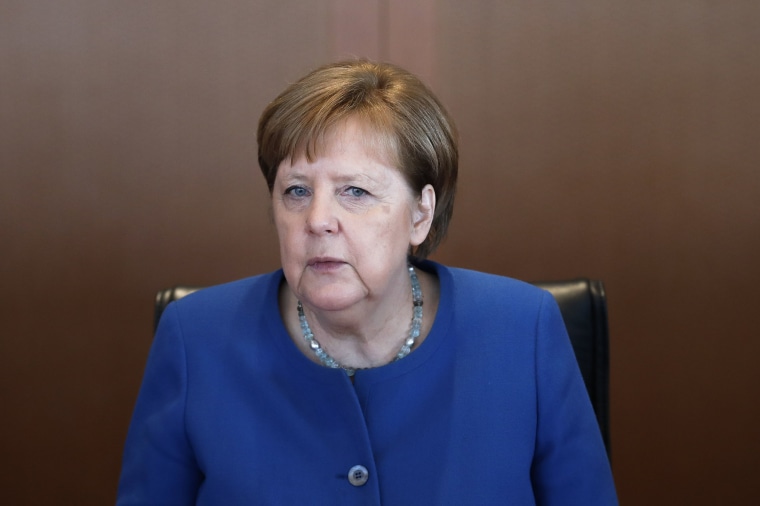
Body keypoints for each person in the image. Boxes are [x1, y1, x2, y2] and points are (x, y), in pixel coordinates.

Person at [117, 60, 617, 505]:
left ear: (421, 213)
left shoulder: (521, 328)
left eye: (354, 191)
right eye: (295, 190)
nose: (317, 220)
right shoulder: (194, 338)